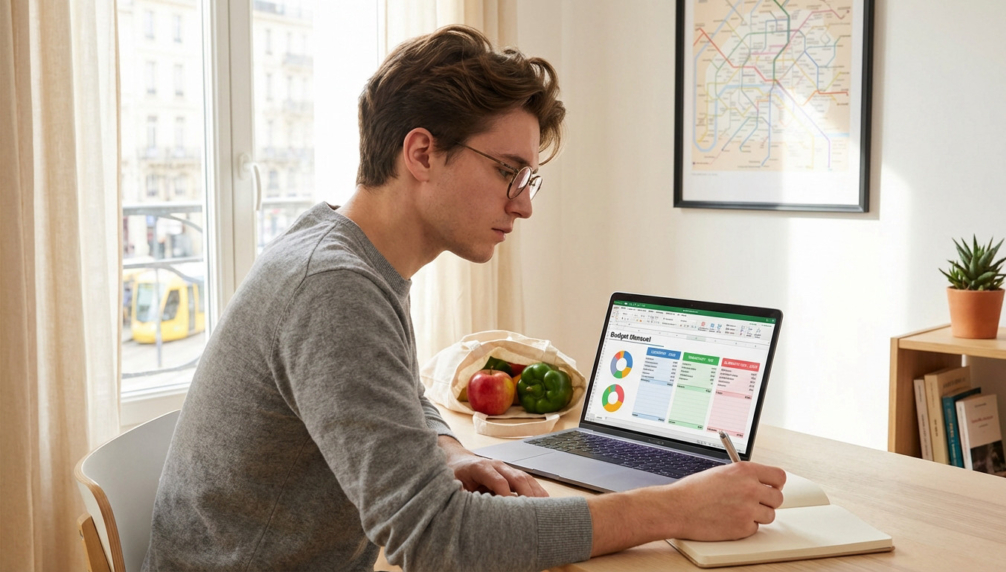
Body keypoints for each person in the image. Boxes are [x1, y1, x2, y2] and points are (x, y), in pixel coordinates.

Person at [143, 25, 786, 572]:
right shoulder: (334, 288)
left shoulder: (338, 251)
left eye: (529, 179)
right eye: (508, 172)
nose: (524, 205)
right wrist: (671, 508)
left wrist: (446, 449)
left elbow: (396, 396)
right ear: (423, 153)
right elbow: (435, 537)